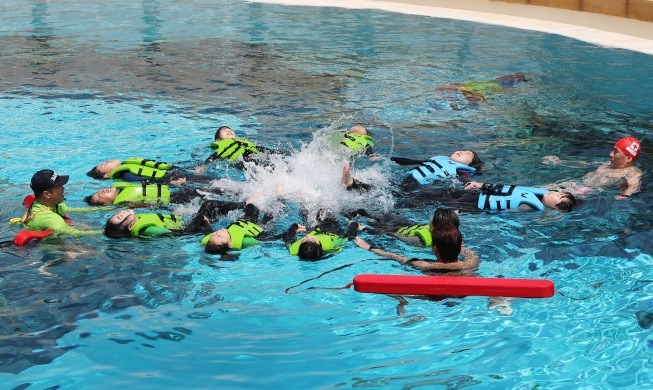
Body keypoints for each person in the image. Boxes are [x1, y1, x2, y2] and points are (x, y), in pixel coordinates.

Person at [355, 221, 479, 273]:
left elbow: (395, 257)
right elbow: (468, 251)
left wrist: (369, 247)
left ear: (434, 248)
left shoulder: (426, 266)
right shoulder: (472, 263)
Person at [543, 137, 642, 200]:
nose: (610, 154)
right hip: (575, 183)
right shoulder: (607, 164)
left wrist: (625, 195)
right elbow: (584, 163)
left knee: (549, 197)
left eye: (616, 152)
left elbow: (634, 185)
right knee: (544, 189)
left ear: (628, 158)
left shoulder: (632, 171)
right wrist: (559, 161)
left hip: (586, 192)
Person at [398, 181, 576, 212]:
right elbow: (505, 188)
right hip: (478, 193)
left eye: (559, 197)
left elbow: (506, 210)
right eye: (560, 192)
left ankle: (401, 204)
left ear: (555, 208)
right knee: (436, 192)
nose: (556, 193)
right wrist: (480, 184)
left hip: (478, 204)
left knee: (439, 201)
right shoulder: (536, 193)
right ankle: (400, 194)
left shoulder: (530, 207)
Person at [20, 170, 103, 236]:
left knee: (85, 226)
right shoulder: (51, 219)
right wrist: (106, 232)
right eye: (59, 186)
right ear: (47, 194)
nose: (63, 188)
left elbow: (73, 210)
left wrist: (107, 208)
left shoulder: (53, 204)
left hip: (57, 229)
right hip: (49, 247)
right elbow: (77, 234)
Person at [202, 193, 276, 254]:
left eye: (215, 234)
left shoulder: (215, 240)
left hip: (246, 223)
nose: (218, 232)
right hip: (260, 229)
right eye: (220, 236)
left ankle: (255, 200)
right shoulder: (246, 241)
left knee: (250, 206)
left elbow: (208, 231)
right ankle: (280, 197)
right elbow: (268, 240)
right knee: (271, 214)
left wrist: (206, 222)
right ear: (230, 244)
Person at [354, 208, 460, 248]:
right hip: (406, 226)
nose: (431, 216)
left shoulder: (420, 240)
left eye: (434, 216)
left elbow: (400, 238)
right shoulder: (452, 238)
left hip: (395, 232)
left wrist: (364, 230)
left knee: (364, 215)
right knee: (385, 213)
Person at [284, 209, 363, 261]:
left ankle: (300, 200)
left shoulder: (292, 249)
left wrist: (295, 226)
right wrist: (352, 225)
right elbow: (349, 237)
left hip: (312, 229)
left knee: (303, 213)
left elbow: (289, 237)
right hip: (331, 230)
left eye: (304, 239)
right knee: (323, 211)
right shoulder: (333, 244)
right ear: (322, 248)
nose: (308, 236)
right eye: (313, 239)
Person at [392, 150, 483, 190]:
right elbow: (411, 162)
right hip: (409, 178)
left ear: (469, 164)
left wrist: (469, 184)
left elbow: (464, 179)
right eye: (462, 150)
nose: (461, 152)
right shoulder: (439, 160)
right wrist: (390, 159)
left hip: (422, 185)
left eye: (467, 154)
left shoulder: (462, 170)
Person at [84, 182, 232, 207]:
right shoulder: (123, 202)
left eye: (99, 191)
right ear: (105, 204)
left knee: (209, 190)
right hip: (175, 200)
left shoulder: (123, 188)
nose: (102, 191)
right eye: (101, 196)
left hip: (177, 192)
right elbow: (147, 205)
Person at [86, 157, 209, 186]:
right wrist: (172, 183)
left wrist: (191, 169)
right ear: (107, 175)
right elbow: (149, 181)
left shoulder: (129, 163)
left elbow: (166, 167)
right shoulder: (126, 175)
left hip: (181, 174)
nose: (107, 160)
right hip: (178, 179)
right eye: (104, 165)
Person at [103, 209, 212, 238]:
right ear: (130, 226)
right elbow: (183, 234)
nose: (122, 212)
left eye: (118, 213)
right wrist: (201, 218)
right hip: (199, 228)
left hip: (187, 222)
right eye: (121, 216)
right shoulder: (148, 230)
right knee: (209, 206)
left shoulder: (139, 219)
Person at [435, 73, 528, 107]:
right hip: (496, 85)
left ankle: (522, 78)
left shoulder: (464, 87)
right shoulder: (469, 92)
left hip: (492, 84)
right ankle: (521, 78)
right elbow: (479, 98)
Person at [205, 126, 278, 164]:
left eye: (230, 130)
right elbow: (214, 156)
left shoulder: (241, 142)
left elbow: (258, 148)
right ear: (218, 140)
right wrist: (203, 166)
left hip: (252, 156)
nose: (228, 130)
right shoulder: (221, 146)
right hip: (239, 162)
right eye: (224, 130)